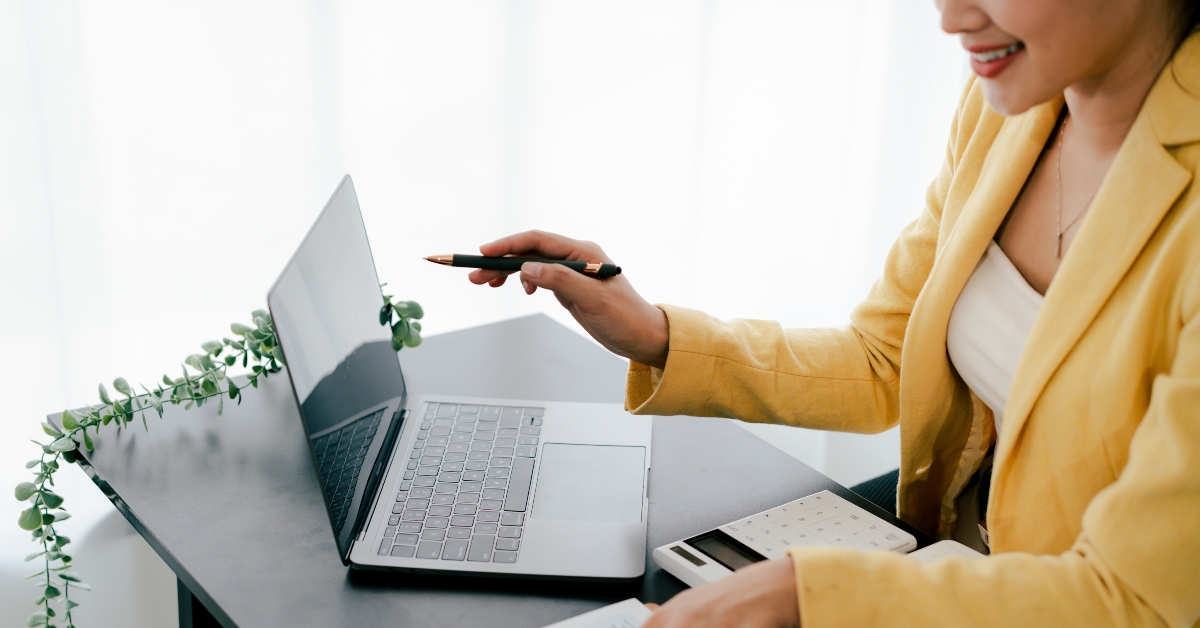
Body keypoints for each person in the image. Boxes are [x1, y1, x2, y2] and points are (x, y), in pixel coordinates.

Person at [468, 0, 1200, 624]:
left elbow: (1130, 599)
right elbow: (884, 357)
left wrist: (809, 593)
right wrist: (657, 334)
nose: (949, 16)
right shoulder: (1003, 111)